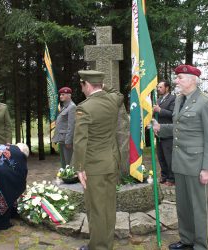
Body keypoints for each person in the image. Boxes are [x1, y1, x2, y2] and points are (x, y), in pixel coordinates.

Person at [153, 65, 208, 250]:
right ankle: (187, 240)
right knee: (183, 206)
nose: (176, 81)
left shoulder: (206, 101)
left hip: (197, 164)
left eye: (180, 77)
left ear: (192, 79)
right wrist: (160, 128)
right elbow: (179, 129)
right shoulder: (181, 99)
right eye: (177, 78)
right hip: (180, 161)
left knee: (199, 207)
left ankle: (199, 245)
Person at [72, 70, 123, 250]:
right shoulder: (113, 101)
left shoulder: (85, 107)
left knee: (97, 209)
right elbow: (118, 94)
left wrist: (79, 167)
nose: (82, 89)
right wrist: (102, 85)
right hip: (112, 162)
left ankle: (99, 247)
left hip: (95, 167)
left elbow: (80, 141)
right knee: (108, 207)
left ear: (86, 84)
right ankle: (104, 243)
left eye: (82, 85)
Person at [153, 80, 176, 186]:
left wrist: (160, 110)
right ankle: (164, 176)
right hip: (158, 132)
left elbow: (173, 114)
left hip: (168, 132)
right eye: (158, 87)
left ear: (167, 88)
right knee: (161, 155)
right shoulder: (158, 100)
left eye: (160, 87)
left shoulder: (173, 98)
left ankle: (171, 178)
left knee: (169, 156)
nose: (158, 89)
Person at [52, 87, 76, 167]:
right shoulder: (65, 107)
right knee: (63, 163)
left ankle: (70, 179)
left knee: (68, 163)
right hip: (62, 139)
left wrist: (68, 141)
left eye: (63, 94)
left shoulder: (72, 107)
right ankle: (65, 178)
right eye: (60, 95)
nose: (60, 96)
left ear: (69, 95)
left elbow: (71, 126)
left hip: (66, 140)